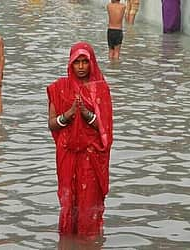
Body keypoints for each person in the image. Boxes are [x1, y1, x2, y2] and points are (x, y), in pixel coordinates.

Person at [46, 42, 113, 238]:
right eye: (77, 62)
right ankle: (67, 241)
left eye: (85, 62)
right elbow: (51, 124)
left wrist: (86, 114)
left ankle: (88, 241)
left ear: (92, 63)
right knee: (68, 202)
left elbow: (105, 129)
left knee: (88, 204)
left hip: (91, 156)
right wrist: (68, 115)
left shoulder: (100, 89)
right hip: (67, 154)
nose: (82, 66)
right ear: (71, 64)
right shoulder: (59, 88)